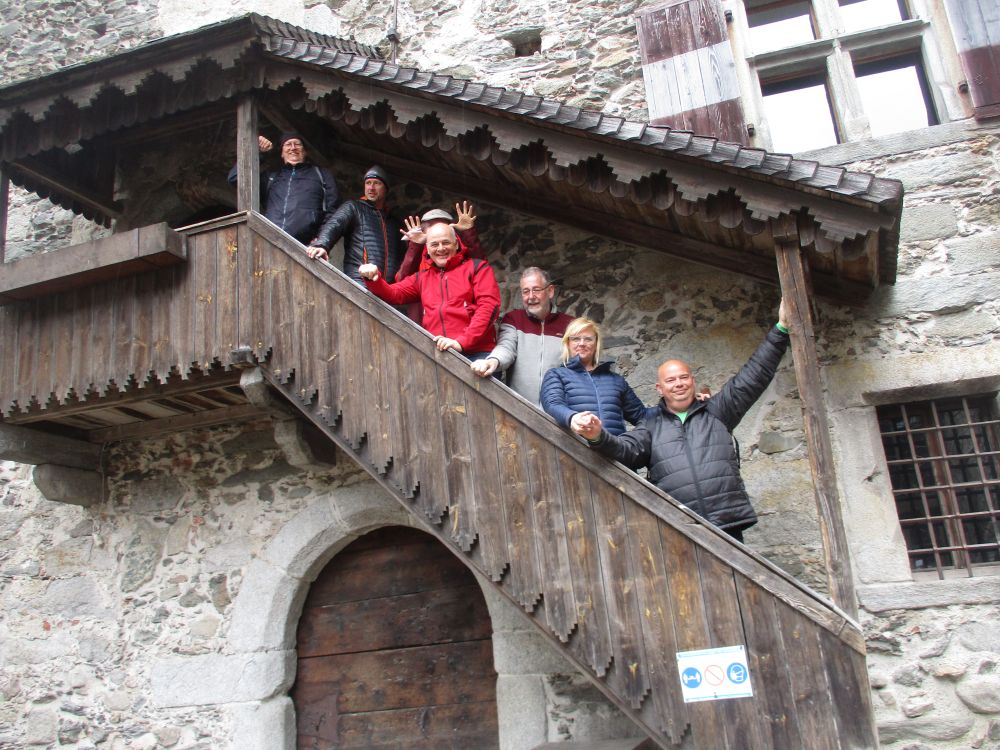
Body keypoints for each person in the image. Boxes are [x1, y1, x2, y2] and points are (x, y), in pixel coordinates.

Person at [573, 300, 791, 542]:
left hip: (726, 523)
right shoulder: (651, 425)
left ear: (692, 381)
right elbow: (626, 450)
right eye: (671, 380)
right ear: (659, 388)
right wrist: (597, 436)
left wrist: (781, 328)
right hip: (679, 529)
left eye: (683, 377)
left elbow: (753, 376)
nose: (678, 384)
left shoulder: (717, 411)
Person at [358, 223, 501, 359]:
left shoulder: (478, 268)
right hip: (439, 354)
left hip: (477, 354)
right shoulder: (422, 277)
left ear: (456, 244)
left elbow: (489, 307)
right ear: (427, 248)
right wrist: (373, 279)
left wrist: (462, 342)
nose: (440, 248)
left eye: (446, 242)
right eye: (434, 244)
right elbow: (393, 294)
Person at [471, 267, 573, 403]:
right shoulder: (514, 319)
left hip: (558, 409)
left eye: (536, 290)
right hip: (519, 407)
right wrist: (493, 361)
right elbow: (506, 347)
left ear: (550, 291)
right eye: (526, 291)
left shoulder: (570, 325)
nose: (531, 296)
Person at [227, 132, 339, 252]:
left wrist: (321, 239)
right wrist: (258, 152)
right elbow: (235, 179)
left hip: (305, 248)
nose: (293, 147)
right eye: (288, 144)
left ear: (305, 151)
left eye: (297, 144)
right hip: (270, 244)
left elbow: (333, 209)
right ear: (282, 153)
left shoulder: (322, 175)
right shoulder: (272, 178)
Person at [540, 318, 646, 437]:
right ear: (568, 344)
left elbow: (641, 415)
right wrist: (572, 418)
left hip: (614, 447)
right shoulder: (556, 374)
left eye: (588, 339)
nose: (582, 343)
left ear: (596, 344)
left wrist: (664, 408)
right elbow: (553, 404)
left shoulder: (616, 380)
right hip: (575, 446)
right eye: (575, 339)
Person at [307, 165, 407, 284]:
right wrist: (322, 245)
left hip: (387, 289)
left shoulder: (394, 223)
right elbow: (335, 224)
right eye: (368, 183)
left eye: (377, 183)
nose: (371, 187)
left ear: (386, 188)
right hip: (360, 283)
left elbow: (404, 259)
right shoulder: (354, 207)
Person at [394, 202, 484, 322]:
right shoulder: (419, 251)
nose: (437, 231)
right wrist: (416, 245)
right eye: (431, 227)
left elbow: (482, 270)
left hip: (459, 322)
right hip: (423, 321)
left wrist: (468, 232)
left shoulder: (460, 250)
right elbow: (402, 280)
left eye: (442, 225)